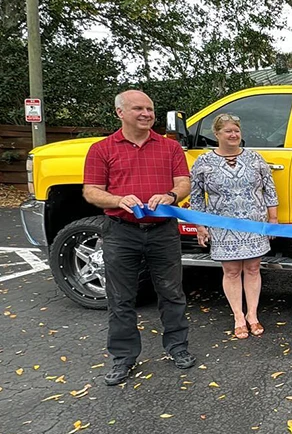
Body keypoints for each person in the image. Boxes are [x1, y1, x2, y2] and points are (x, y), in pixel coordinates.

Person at [83, 90, 195, 386]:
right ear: (120, 112)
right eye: (138, 109)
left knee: (172, 293)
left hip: (163, 232)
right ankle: (123, 357)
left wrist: (171, 195)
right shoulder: (102, 149)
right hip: (120, 232)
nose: (147, 114)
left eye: (150, 109)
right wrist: (117, 199)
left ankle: (177, 348)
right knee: (120, 298)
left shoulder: (169, 148)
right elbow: (91, 190)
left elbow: (184, 182)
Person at [190, 114, 279, 339]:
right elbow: (197, 196)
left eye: (237, 131)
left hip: (254, 224)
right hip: (221, 225)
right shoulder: (203, 162)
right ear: (217, 134)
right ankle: (238, 316)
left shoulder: (255, 158)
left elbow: (270, 189)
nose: (233, 135)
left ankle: (253, 315)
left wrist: (273, 220)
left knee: (252, 268)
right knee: (231, 271)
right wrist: (200, 226)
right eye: (228, 131)